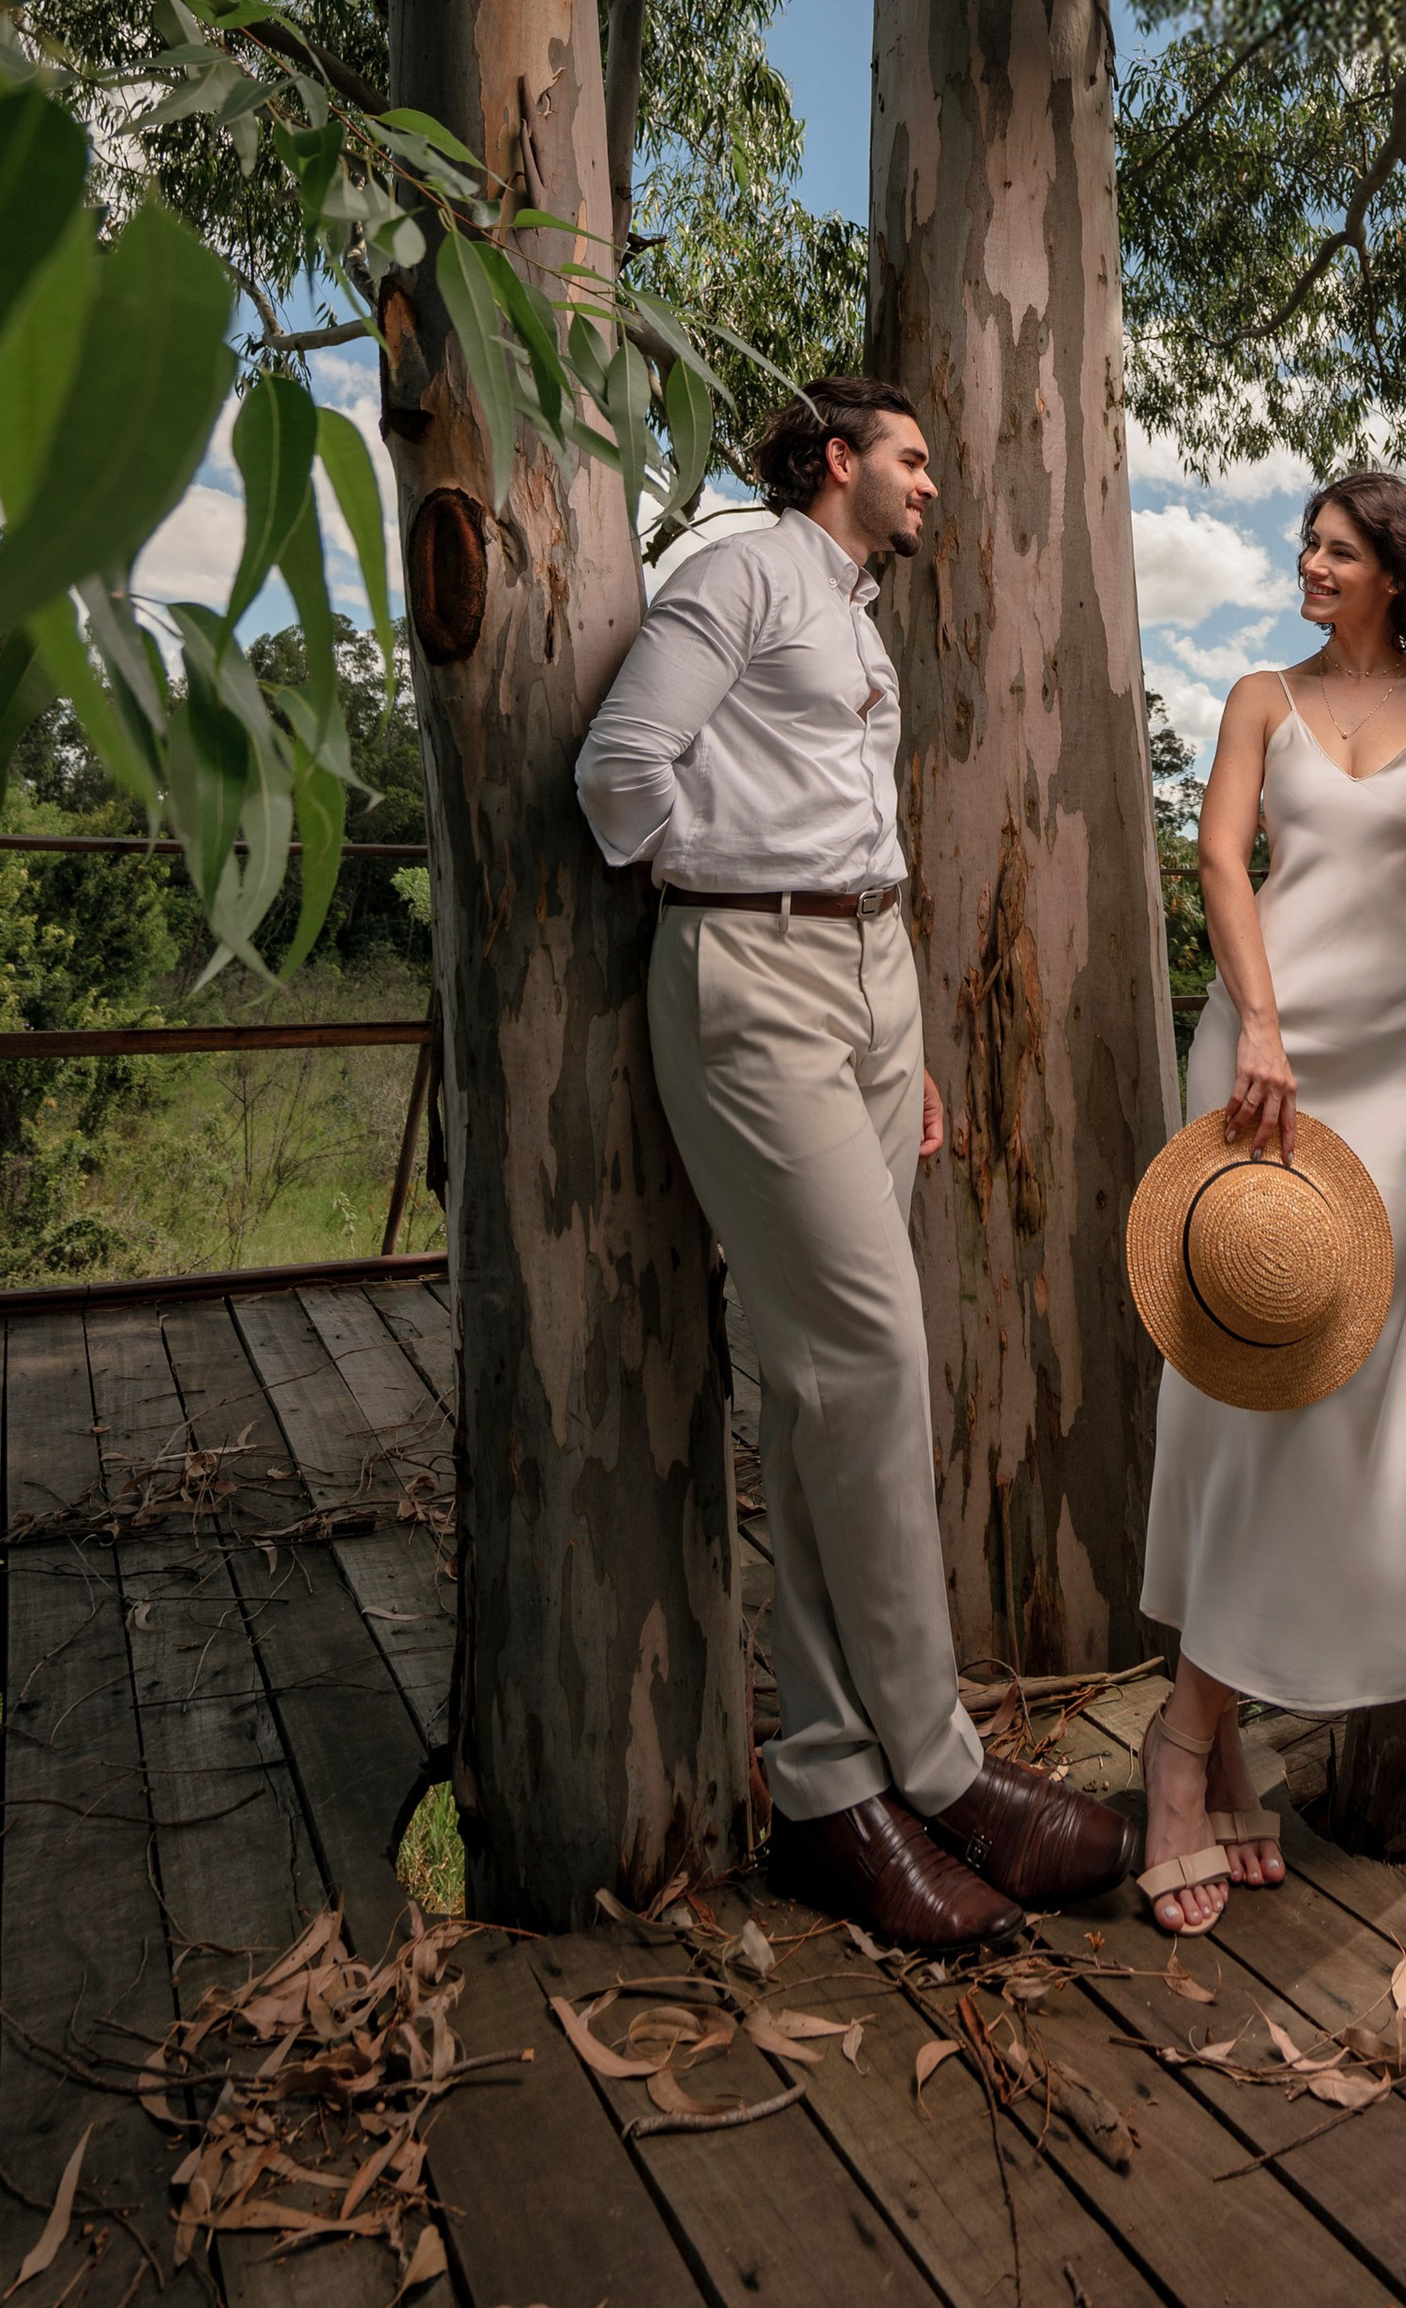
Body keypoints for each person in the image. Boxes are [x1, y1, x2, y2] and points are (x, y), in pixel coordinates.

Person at [575, 375, 1138, 1949]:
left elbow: (848, 822)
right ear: (839, 459)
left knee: (833, 1385)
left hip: (871, 978)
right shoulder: (743, 573)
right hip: (753, 973)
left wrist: (903, 1030)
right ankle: (943, 1768)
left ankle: (830, 1782)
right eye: (911, 457)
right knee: (872, 1355)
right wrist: (718, 885)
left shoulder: (856, 617)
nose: (930, 483)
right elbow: (620, 768)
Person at [1135, 471, 1406, 1933]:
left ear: (1392, 570)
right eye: (1306, 543)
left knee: (1326, 1380)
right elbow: (1220, 858)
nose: (1309, 562)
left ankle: (1193, 1729)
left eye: (1338, 548)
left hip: (1397, 1073)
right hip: (1262, 1059)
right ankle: (1201, 1740)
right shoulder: (1259, 696)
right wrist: (1258, 1022)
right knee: (1236, 1378)